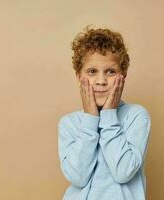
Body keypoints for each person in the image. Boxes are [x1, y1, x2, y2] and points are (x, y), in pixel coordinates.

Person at [57, 25, 151, 200]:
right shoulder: (69, 123)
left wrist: (109, 115)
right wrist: (90, 119)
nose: (101, 81)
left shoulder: (137, 116)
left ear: (123, 75)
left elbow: (123, 172)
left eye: (110, 72)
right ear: (79, 77)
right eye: (92, 72)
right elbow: (78, 177)